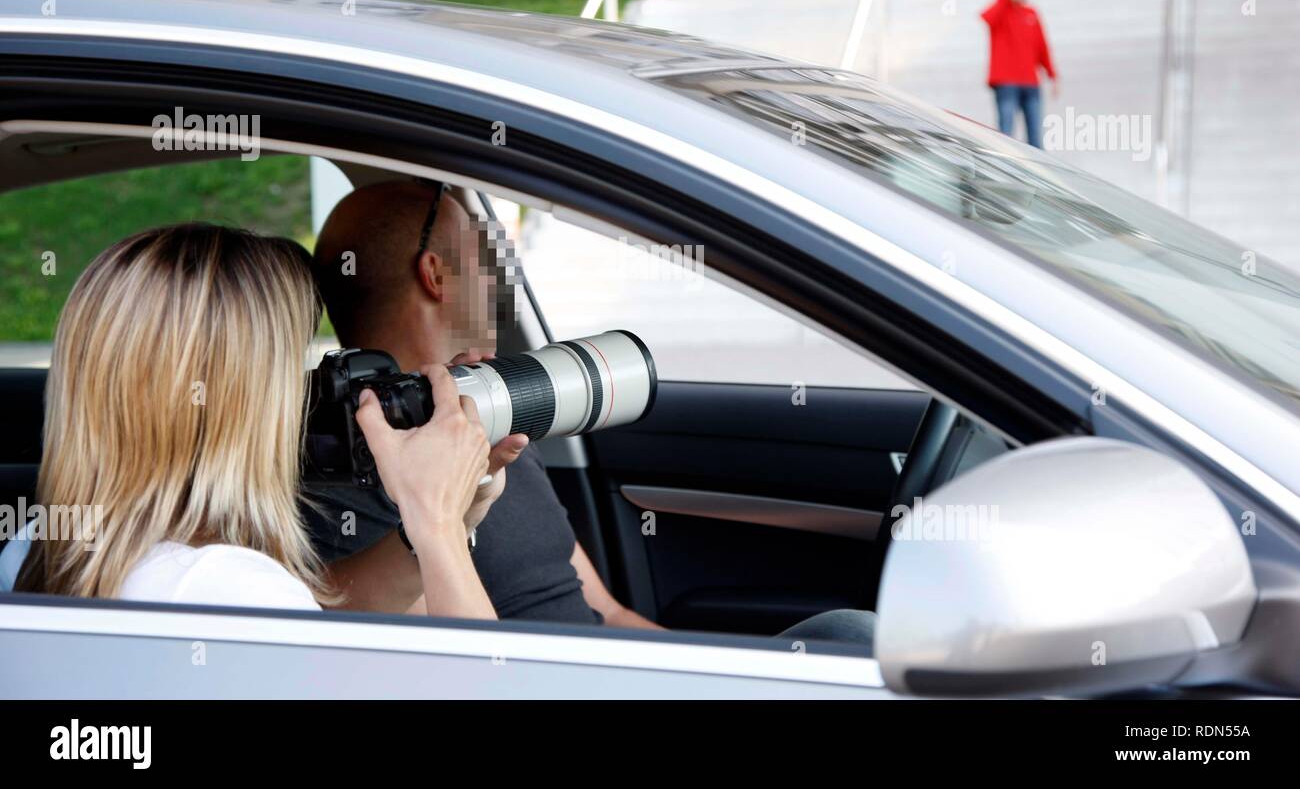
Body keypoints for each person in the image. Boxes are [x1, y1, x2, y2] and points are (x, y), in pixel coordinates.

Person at [307, 180, 875, 652]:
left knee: (851, 637)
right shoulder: (366, 476)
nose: (501, 270)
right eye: (483, 251)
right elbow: (458, 667)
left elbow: (606, 613)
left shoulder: (496, 414)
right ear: (436, 273)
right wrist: (435, 518)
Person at [3, 224, 499, 620]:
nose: (306, 391)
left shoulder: (35, 547)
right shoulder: (224, 588)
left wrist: (437, 524)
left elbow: (320, 618)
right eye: (291, 367)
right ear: (244, 400)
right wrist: (434, 520)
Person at [980, 0, 1059, 148]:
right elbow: (987, 18)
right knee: (1005, 135)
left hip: (1030, 83)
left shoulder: (1031, 13)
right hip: (1006, 83)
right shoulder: (1001, 10)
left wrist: (1052, 75)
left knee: (1035, 139)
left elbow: (1042, 47)